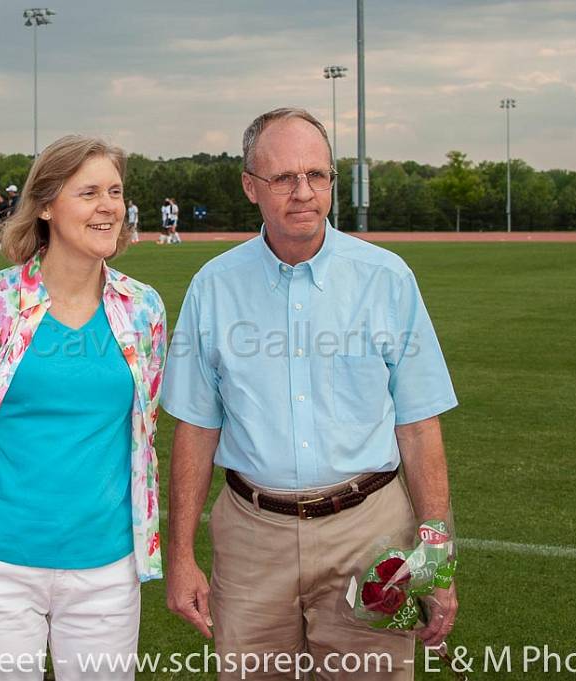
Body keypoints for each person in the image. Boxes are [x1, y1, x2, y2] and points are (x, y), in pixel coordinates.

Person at [162, 107, 459, 681]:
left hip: (371, 535)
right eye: (284, 178)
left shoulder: (387, 277)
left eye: (317, 175)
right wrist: (180, 558)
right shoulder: (213, 287)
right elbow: (197, 428)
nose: (304, 192)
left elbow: (420, 427)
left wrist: (437, 556)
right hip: (252, 539)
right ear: (250, 186)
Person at [0, 135, 166, 681]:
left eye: (115, 192)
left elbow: (145, 425)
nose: (108, 207)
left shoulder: (142, 308)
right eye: (89, 191)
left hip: (107, 567)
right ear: (46, 204)